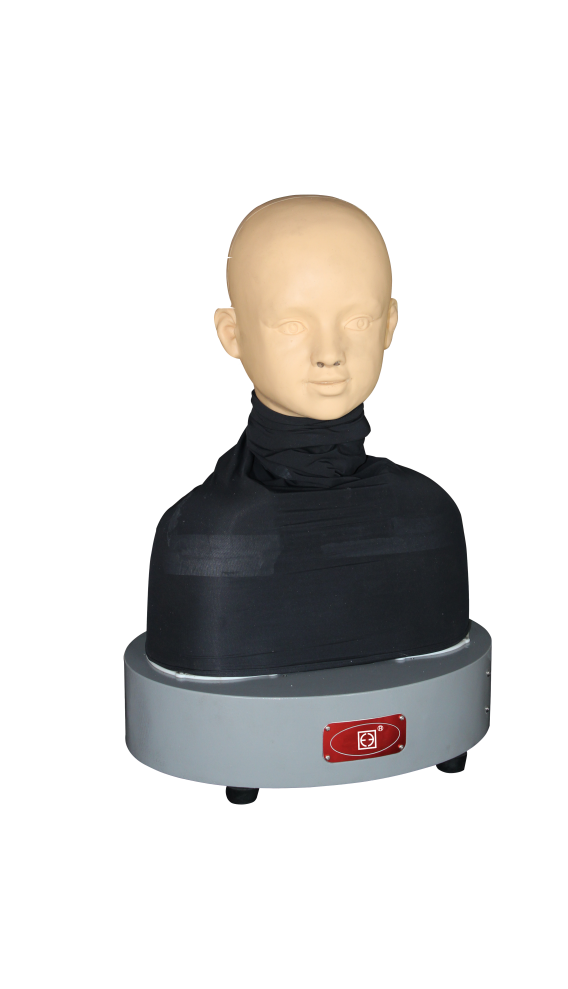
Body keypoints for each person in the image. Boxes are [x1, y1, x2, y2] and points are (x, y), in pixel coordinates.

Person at [144, 195, 469, 675]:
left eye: (358, 320)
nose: (329, 353)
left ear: (390, 324)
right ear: (231, 334)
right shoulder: (207, 542)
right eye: (293, 325)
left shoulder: (428, 518)